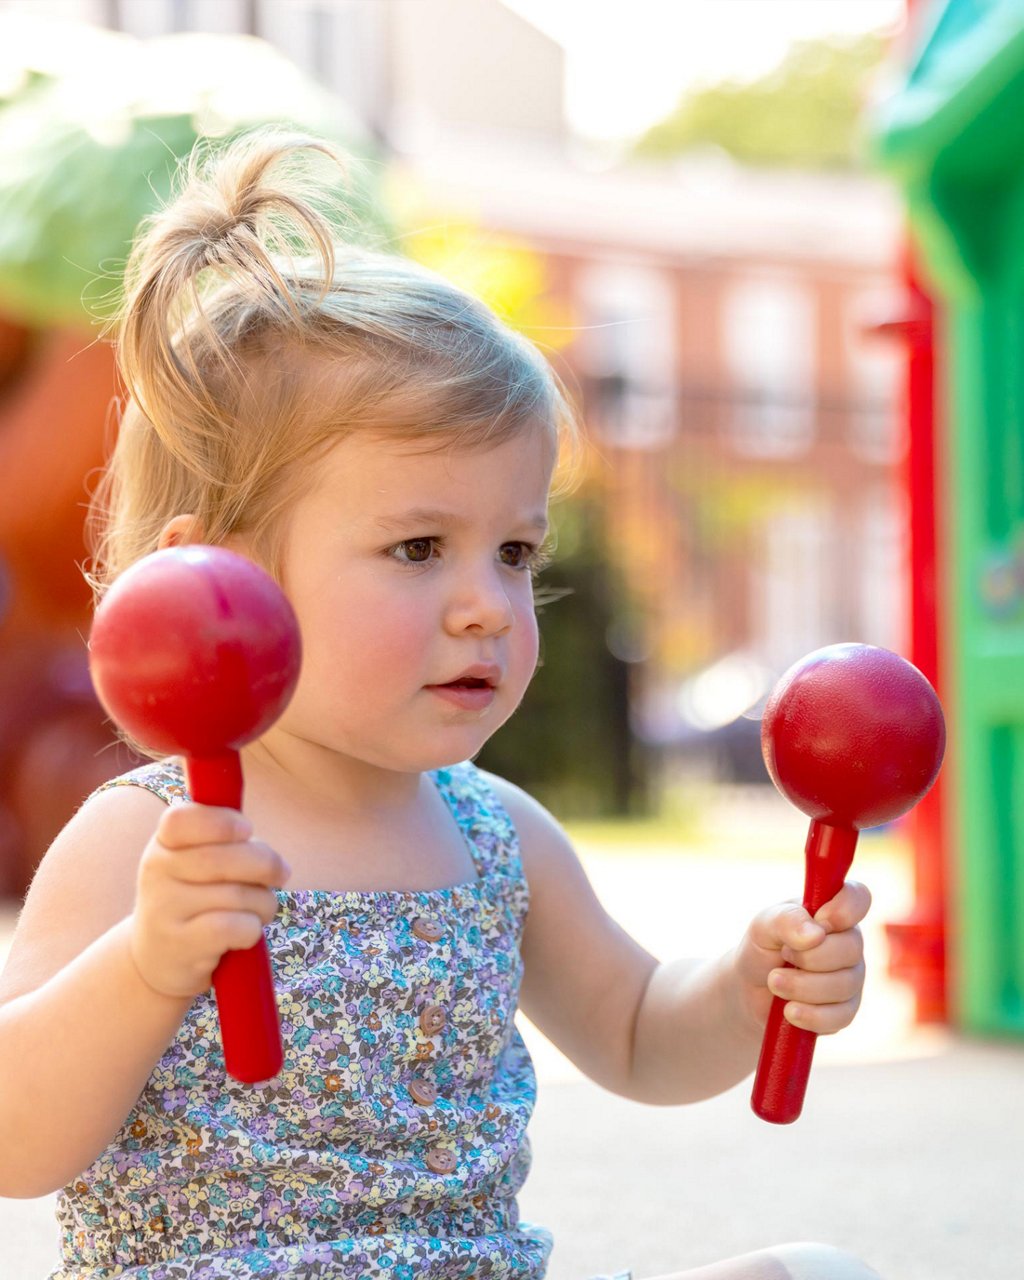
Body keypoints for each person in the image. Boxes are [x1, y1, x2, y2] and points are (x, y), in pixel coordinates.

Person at [0, 130, 880, 1280]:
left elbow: (636, 1032)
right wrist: (148, 958)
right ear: (218, 577)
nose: (487, 606)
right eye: (419, 546)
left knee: (817, 1272)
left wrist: (751, 979)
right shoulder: (146, 838)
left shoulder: (492, 834)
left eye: (515, 550)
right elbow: (19, 1141)